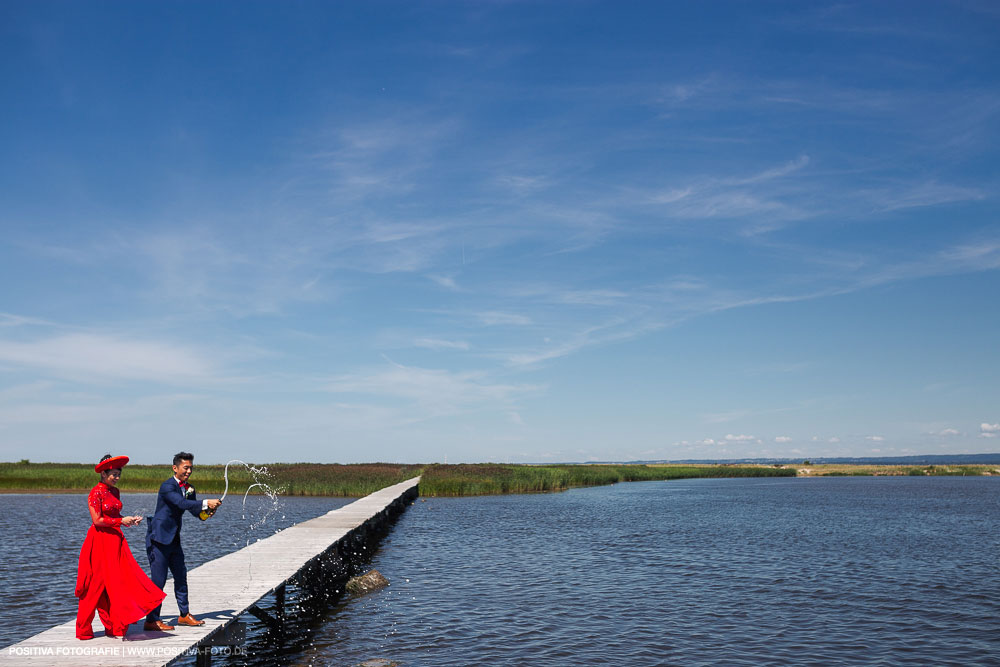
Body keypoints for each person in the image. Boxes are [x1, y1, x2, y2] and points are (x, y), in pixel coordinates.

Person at [75, 455, 166, 640]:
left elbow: (115, 515)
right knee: (95, 585)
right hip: (99, 541)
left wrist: (128, 521)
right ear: (103, 473)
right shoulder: (95, 492)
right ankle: (83, 629)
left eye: (118, 474)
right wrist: (119, 520)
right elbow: (97, 520)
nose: (116, 478)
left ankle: (114, 626)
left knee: (117, 583)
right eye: (113, 474)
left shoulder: (115, 492)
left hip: (115, 541)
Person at [144, 451, 222, 631]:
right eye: (185, 468)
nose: (188, 471)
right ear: (175, 468)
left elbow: (196, 512)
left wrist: (208, 512)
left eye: (191, 468)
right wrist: (206, 502)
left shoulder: (190, 489)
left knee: (181, 577)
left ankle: (184, 615)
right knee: (158, 581)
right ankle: (151, 619)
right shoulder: (167, 487)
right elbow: (181, 504)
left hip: (174, 539)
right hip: (158, 539)